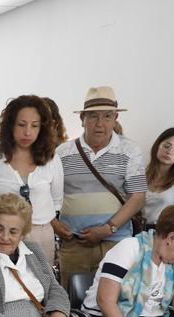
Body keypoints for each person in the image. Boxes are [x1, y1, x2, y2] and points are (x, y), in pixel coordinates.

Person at [55, 86, 147, 288]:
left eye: (107, 116)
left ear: (115, 119)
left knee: (114, 300)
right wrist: (54, 223)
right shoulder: (62, 152)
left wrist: (108, 228)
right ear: (82, 119)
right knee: (71, 300)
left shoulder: (129, 149)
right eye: (93, 117)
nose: (100, 124)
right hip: (74, 243)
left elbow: (138, 197)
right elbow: (46, 194)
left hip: (116, 242)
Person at [0, 94, 65, 268]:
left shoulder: (52, 159)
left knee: (40, 286)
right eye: (21, 125)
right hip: (3, 235)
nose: (27, 132)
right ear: (10, 126)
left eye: (34, 126)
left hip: (41, 233)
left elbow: (57, 200)